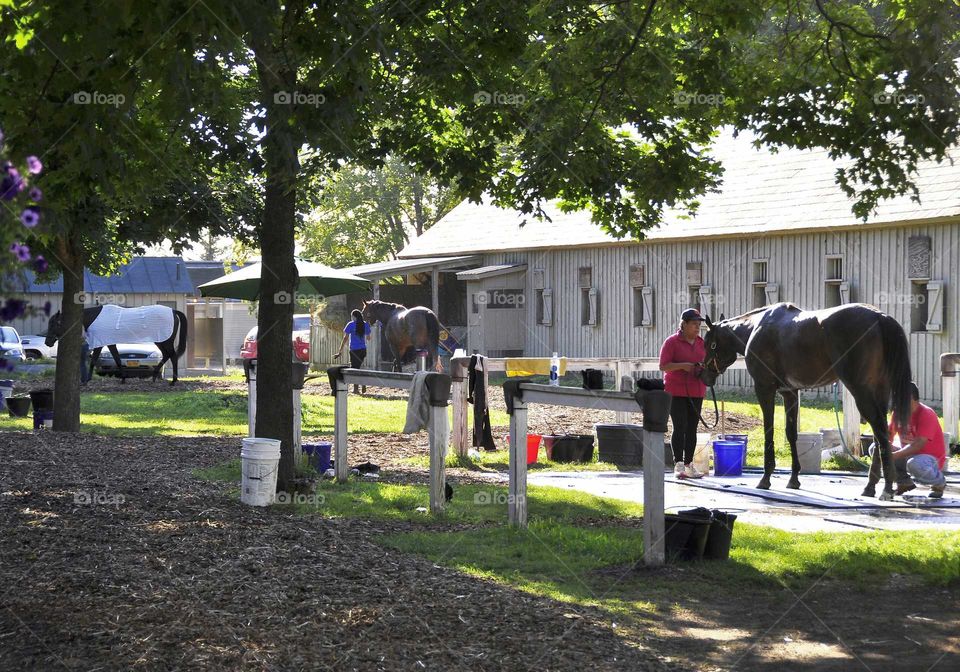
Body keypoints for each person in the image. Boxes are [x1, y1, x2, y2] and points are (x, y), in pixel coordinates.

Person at [659, 308, 707, 479]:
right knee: (680, 426)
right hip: (676, 390)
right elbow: (663, 365)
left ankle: (689, 464)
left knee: (692, 427)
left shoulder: (702, 344)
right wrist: (684, 366)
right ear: (684, 324)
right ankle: (678, 463)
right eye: (694, 324)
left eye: (699, 325)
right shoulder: (671, 342)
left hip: (697, 390)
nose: (697, 328)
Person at [884, 381, 947, 498]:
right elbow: (888, 435)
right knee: (877, 448)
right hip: (908, 455)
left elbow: (918, 445)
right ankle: (904, 482)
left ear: (911, 398)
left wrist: (893, 456)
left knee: (914, 464)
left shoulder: (927, 414)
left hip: (928, 459)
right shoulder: (897, 413)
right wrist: (884, 444)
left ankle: (939, 482)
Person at [335, 309, 371, 394]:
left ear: (354, 317)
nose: (351, 318)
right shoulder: (365, 324)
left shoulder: (350, 325)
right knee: (358, 367)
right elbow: (369, 338)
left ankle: (356, 389)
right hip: (363, 350)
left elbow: (345, 338)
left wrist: (340, 350)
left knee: (355, 369)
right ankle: (362, 384)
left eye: (352, 316)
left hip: (354, 350)